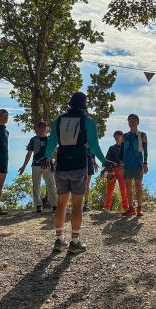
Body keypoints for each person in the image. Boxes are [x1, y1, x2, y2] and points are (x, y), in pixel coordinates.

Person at [44, 91, 107, 254]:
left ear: (70, 104)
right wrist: (105, 161)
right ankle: (75, 241)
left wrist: (46, 157)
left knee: (61, 203)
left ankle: (59, 240)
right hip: (79, 165)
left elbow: (51, 143)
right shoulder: (88, 121)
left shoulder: (58, 120)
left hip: (61, 165)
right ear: (84, 105)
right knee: (77, 204)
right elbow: (94, 146)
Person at [18, 120, 58, 214]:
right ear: (37, 128)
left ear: (47, 128)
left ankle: (55, 205)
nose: (42, 129)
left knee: (51, 184)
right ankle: (38, 205)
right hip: (36, 165)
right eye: (40, 127)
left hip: (48, 165)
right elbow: (29, 154)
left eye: (44, 127)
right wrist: (23, 166)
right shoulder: (33, 139)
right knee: (36, 185)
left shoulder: (50, 140)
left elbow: (55, 152)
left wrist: (57, 163)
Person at [121, 114, 149, 217]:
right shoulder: (125, 136)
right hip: (127, 163)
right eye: (129, 120)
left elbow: (145, 150)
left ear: (138, 122)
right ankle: (131, 208)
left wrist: (145, 163)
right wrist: (121, 163)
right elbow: (121, 151)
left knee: (138, 186)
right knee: (128, 186)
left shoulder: (142, 135)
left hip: (138, 163)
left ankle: (139, 208)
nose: (131, 122)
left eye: (133, 120)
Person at [104, 131, 129, 212]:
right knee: (109, 190)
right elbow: (106, 160)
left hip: (122, 170)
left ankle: (125, 207)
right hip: (112, 170)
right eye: (115, 137)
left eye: (118, 137)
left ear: (122, 137)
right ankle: (107, 207)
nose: (116, 138)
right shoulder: (111, 148)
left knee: (123, 190)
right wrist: (109, 170)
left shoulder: (126, 148)